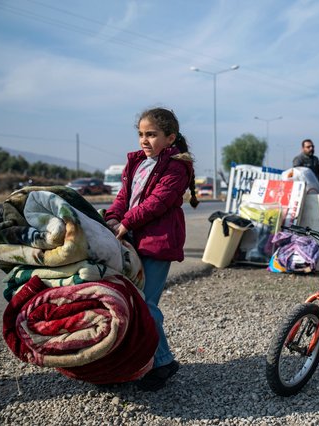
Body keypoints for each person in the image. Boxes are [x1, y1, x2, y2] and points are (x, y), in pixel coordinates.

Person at [105, 107, 199, 391]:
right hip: (131, 239)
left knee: (146, 305)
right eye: (141, 134)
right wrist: (112, 217)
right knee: (127, 301)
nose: (144, 140)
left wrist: (126, 222)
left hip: (156, 243)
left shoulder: (177, 167)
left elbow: (157, 202)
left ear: (170, 138)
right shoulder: (136, 162)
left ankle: (164, 362)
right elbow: (125, 196)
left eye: (152, 135)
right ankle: (133, 362)